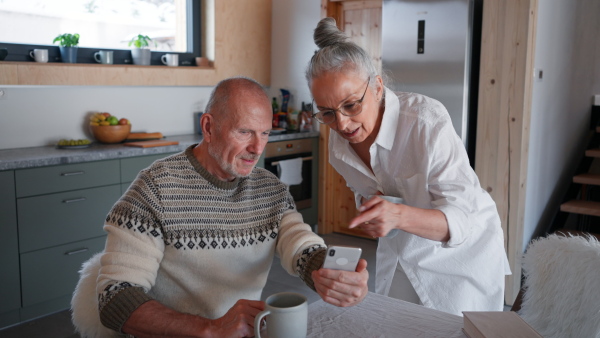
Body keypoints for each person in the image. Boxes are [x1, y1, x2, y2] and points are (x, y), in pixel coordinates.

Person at [71, 76, 369, 338]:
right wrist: (211, 329)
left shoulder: (270, 189)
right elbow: (114, 298)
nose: (257, 148)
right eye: (244, 132)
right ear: (209, 126)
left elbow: (299, 242)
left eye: (265, 133)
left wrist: (327, 272)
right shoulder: (155, 189)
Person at [305, 17, 510, 316]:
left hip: (459, 262)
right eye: (326, 112)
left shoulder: (426, 123)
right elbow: (365, 191)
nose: (342, 124)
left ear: (377, 86)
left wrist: (396, 214)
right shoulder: (339, 146)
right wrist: (371, 209)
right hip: (401, 255)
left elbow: (462, 221)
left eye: (351, 105)